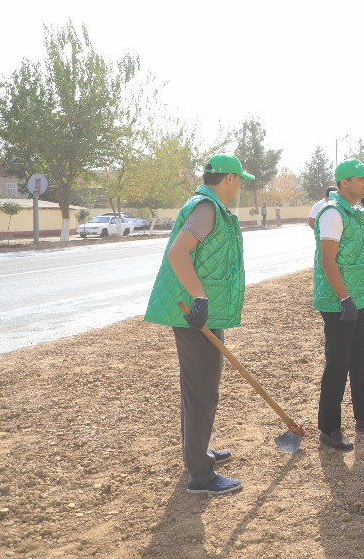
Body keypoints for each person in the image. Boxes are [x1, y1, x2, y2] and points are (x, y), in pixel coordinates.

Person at [144, 153, 255, 496]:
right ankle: (200, 475)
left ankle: (198, 452)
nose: (240, 186)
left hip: (202, 311)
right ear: (230, 178)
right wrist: (199, 298)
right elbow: (177, 253)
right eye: (240, 180)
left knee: (199, 388)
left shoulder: (208, 206)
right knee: (202, 389)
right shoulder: (206, 208)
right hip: (195, 312)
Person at [313, 159, 364, 451]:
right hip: (338, 302)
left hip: (356, 299)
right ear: (344, 182)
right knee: (337, 365)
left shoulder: (356, 212)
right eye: (361, 178)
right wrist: (345, 299)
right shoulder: (333, 213)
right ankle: (329, 428)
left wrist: (359, 298)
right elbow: (328, 261)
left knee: (361, 362)